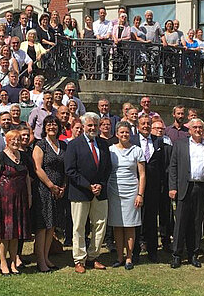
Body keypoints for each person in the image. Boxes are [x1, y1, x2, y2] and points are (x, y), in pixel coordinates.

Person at [64, 112, 112, 273]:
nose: (93, 128)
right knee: (79, 227)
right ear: (83, 126)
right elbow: (70, 170)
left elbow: (108, 168)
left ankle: (93, 257)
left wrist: (100, 185)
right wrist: (88, 186)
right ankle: (79, 259)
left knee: (100, 225)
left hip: (100, 192)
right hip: (80, 192)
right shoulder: (73, 145)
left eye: (95, 125)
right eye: (90, 125)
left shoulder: (103, 144)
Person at [169, 119, 204, 269]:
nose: (198, 129)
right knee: (181, 222)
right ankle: (176, 255)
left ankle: (193, 254)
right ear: (189, 130)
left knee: (196, 223)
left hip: (201, 187)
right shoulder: (180, 144)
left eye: (200, 127)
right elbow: (173, 166)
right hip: (185, 186)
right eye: (195, 127)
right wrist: (172, 187)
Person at [0, 130, 32, 276]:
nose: (16, 142)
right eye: (13, 139)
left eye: (18, 139)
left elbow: (27, 177)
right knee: (4, 233)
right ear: (7, 141)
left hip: (20, 198)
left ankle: (13, 262)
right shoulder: (0, 156)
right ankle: (3, 262)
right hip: (4, 199)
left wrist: (29, 195)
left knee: (16, 233)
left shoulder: (24, 157)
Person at [107, 121, 146, 270]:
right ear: (116, 134)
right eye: (122, 132)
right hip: (114, 191)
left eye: (127, 132)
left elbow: (142, 175)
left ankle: (129, 257)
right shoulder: (110, 150)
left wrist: (140, 194)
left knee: (130, 225)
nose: (124, 135)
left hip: (132, 192)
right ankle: (119, 257)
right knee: (117, 225)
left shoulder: (137, 150)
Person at [32, 116, 67, 273]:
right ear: (44, 128)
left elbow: (66, 168)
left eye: (54, 124)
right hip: (44, 190)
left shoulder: (63, 145)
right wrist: (51, 185)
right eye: (49, 124)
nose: (52, 127)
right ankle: (40, 261)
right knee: (42, 226)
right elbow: (38, 168)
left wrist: (63, 186)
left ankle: (46, 257)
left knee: (51, 225)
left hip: (59, 191)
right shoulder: (40, 145)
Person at [130, 116, 164, 263]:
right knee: (137, 219)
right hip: (136, 186)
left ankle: (153, 251)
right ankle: (135, 251)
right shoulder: (132, 141)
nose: (146, 126)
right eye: (143, 123)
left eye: (148, 124)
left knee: (151, 219)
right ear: (138, 126)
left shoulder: (158, 140)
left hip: (154, 188)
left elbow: (163, 164)